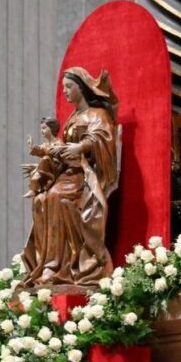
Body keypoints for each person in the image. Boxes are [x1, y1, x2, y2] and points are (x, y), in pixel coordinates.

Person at [22, 67, 119, 287]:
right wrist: (42, 167)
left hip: (84, 175)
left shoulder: (97, 114)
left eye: (69, 86)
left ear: (81, 88)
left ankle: (59, 266)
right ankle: (46, 263)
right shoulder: (72, 118)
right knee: (40, 200)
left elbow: (102, 138)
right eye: (63, 87)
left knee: (55, 196)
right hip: (66, 173)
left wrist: (81, 147)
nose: (65, 91)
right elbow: (61, 147)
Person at [23, 117, 63, 198]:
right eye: (41, 128)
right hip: (48, 168)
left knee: (45, 159)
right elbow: (41, 150)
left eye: (44, 128)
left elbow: (55, 153)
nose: (41, 131)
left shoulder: (58, 143)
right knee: (35, 171)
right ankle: (35, 188)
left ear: (52, 128)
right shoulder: (46, 144)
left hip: (57, 169)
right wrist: (32, 146)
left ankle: (33, 189)